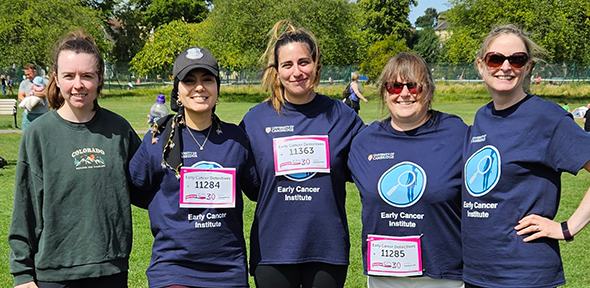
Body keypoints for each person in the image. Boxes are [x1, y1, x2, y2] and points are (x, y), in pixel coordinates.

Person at [8, 30, 141, 288]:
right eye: (69, 76)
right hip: (55, 274)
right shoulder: (39, 134)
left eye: (87, 76)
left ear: (100, 78)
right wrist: (22, 275)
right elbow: (25, 207)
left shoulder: (119, 129)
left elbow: (146, 187)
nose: (78, 85)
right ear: (56, 79)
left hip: (110, 270)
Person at [240, 20, 365, 288]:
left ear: (316, 64)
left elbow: (369, 168)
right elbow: (250, 184)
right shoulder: (255, 120)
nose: (296, 72)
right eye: (287, 65)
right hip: (273, 250)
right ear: (276, 71)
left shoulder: (343, 117)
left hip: (327, 250)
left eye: (303, 62)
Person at [463, 24, 590, 288]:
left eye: (517, 60)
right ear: (480, 66)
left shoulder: (547, 117)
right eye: (495, 58)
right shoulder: (482, 116)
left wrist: (567, 228)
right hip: (477, 272)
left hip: (524, 275)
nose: (506, 67)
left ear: (528, 67)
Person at [129, 47, 259, 288]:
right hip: (173, 268)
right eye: (189, 80)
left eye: (207, 79)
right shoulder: (157, 139)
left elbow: (258, 189)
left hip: (228, 269)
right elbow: (136, 188)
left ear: (217, 88)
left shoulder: (236, 138)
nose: (199, 87)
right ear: (177, 92)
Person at [348, 53, 466, 288]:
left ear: (428, 91)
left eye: (413, 86)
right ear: (384, 92)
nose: (404, 94)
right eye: (394, 86)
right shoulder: (364, 141)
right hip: (384, 276)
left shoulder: (457, 133)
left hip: (443, 276)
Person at [18, 63, 49, 132]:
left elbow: (46, 93)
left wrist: (33, 94)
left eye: (29, 74)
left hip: (42, 114)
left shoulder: (44, 82)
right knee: (26, 137)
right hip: (28, 115)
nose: (28, 76)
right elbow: (20, 96)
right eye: (26, 75)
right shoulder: (24, 83)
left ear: (35, 71)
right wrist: (27, 102)